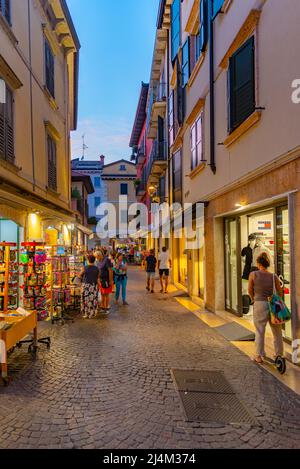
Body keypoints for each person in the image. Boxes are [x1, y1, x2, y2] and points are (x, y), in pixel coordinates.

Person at [248, 252, 284, 364]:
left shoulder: (253, 274)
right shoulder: (274, 276)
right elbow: (280, 292)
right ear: (268, 264)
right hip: (273, 304)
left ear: (258, 263)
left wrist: (253, 299)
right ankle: (278, 354)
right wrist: (276, 301)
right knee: (277, 331)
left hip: (259, 304)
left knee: (260, 330)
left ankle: (259, 355)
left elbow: (250, 290)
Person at [80, 255, 101, 319]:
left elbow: (80, 275)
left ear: (88, 260)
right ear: (94, 260)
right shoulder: (97, 268)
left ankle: (86, 313)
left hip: (86, 286)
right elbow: (98, 278)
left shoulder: (84, 268)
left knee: (86, 300)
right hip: (94, 285)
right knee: (93, 299)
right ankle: (92, 313)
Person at [98, 248, 113, 314]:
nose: (96, 258)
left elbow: (110, 270)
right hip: (101, 280)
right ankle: (103, 307)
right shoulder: (100, 261)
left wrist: (110, 280)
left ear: (100, 255)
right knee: (102, 294)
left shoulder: (106, 260)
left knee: (106, 294)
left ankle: (106, 308)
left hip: (106, 280)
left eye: (97, 257)